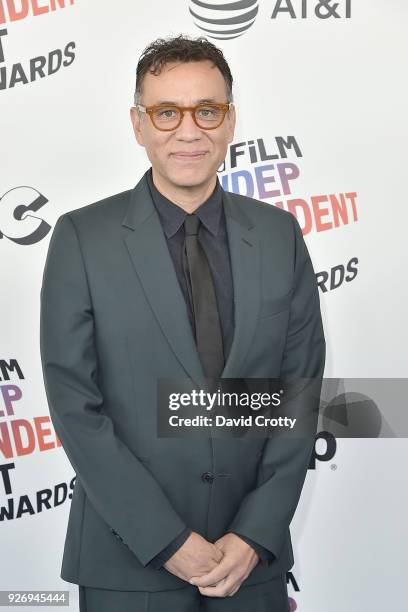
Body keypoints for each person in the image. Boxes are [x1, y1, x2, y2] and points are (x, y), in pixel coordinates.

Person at [40, 34, 326, 612]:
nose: (188, 131)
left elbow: (297, 397)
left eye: (207, 110)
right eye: (166, 112)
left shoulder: (279, 237)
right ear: (138, 124)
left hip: (252, 567)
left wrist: (253, 536)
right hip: (128, 562)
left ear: (230, 121)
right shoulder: (82, 239)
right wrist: (166, 540)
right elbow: (76, 407)